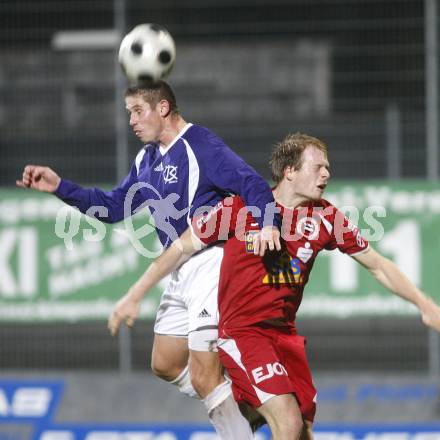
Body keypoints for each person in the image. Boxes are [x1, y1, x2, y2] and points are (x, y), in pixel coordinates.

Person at [108, 132, 440, 440]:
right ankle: (232, 402)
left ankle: (239, 409)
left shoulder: (325, 218)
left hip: (284, 336)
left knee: (301, 431)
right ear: (290, 172)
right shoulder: (242, 207)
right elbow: (180, 248)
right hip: (243, 333)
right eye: (318, 167)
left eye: (328, 168)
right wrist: (134, 294)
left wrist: (425, 305)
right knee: (288, 420)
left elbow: (378, 265)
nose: (326, 174)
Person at [16, 80, 282, 439]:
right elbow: (112, 207)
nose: (132, 121)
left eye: (137, 111)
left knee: (205, 376)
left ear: (163, 108)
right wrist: (61, 187)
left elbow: (251, 182)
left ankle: (238, 419)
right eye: (129, 113)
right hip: (178, 268)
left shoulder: (200, 145)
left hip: (209, 262)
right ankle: (241, 404)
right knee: (165, 363)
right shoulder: (147, 159)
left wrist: (269, 223)